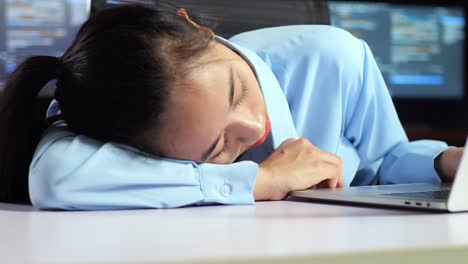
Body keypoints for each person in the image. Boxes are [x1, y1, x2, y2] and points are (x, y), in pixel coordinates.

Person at [0, 4, 464, 210]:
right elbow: (56, 177)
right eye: (217, 147)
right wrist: (260, 178)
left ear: (195, 26)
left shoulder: (333, 58)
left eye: (236, 90)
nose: (255, 125)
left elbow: (381, 162)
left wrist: (444, 163)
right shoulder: (107, 120)